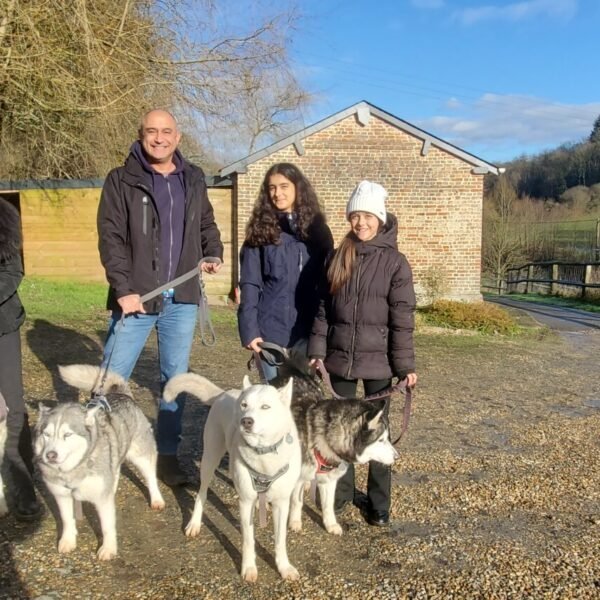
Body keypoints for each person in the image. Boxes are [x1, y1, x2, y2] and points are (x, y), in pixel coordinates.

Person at [97, 109, 223, 486]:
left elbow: (206, 224)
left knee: (174, 381)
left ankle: (167, 455)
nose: (159, 138)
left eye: (166, 131)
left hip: (181, 300)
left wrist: (212, 250)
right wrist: (123, 288)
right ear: (141, 135)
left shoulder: (194, 178)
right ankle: (101, 451)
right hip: (136, 300)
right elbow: (111, 237)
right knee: (111, 379)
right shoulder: (121, 180)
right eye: (152, 131)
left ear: (177, 137)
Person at [308, 180, 418, 527]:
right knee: (340, 433)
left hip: (378, 363)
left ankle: (378, 504)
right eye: (355, 216)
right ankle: (339, 497)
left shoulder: (396, 263)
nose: (361, 223)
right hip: (339, 358)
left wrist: (405, 367)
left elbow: (402, 319)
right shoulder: (339, 255)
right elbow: (323, 309)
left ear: (380, 218)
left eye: (367, 216)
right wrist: (317, 351)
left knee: (378, 434)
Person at [237, 162, 333, 380]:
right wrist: (250, 331)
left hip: (307, 332)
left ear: (297, 187)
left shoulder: (318, 231)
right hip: (269, 332)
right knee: (272, 400)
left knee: (304, 401)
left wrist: (323, 336)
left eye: (284, 186)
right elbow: (250, 284)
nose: (277, 193)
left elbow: (327, 284)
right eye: (272, 188)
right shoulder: (259, 232)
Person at [0, 198, 42, 520]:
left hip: (2, 326)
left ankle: (24, 489)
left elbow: (14, 270)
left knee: (13, 409)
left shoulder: (4, 217)